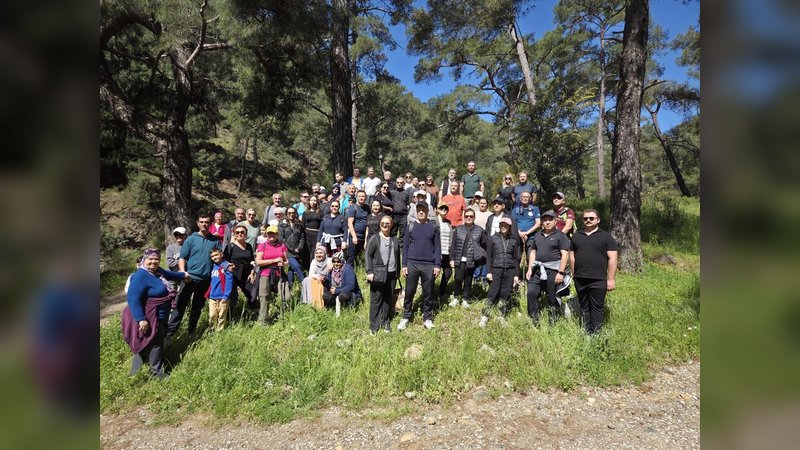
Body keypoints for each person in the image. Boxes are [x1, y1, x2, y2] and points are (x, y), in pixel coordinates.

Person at [122, 248, 189, 378]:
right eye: (150, 259)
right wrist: (141, 319)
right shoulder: (141, 275)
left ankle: (135, 372)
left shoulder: (156, 271)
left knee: (145, 342)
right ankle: (156, 372)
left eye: (156, 259)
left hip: (158, 315)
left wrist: (184, 275)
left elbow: (170, 275)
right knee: (156, 344)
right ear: (144, 260)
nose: (153, 261)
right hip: (148, 316)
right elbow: (133, 298)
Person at [166, 214, 221, 342]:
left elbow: (218, 259)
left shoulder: (215, 240)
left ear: (211, 223)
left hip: (205, 280)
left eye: (207, 222)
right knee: (180, 305)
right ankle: (170, 334)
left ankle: (191, 331)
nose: (204, 224)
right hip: (189, 278)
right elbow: (182, 258)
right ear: (197, 223)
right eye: (201, 222)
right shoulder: (191, 239)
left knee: (197, 307)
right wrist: (183, 272)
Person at [569, 209, 618, 334]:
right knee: (584, 306)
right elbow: (572, 257)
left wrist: (611, 279)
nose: (588, 220)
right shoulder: (576, 236)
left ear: (598, 220)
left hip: (598, 279)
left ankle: (596, 333)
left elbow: (613, 259)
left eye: (591, 218)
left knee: (597, 307)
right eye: (585, 218)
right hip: (580, 278)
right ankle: (586, 331)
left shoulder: (606, 237)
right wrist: (574, 275)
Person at [398, 201, 442, 331]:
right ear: (416, 211)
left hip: (428, 265)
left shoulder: (434, 227)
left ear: (428, 211)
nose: (421, 212)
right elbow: (405, 247)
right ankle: (406, 316)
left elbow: (438, 247)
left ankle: (427, 317)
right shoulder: (410, 227)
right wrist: (404, 264)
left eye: (423, 209)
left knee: (428, 293)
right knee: (410, 291)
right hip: (412, 263)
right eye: (419, 210)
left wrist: (437, 265)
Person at [525, 210, 571, 326]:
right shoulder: (537, 235)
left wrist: (561, 272)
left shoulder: (561, 236)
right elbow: (533, 252)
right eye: (544, 220)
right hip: (537, 270)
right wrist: (530, 269)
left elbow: (565, 254)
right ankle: (534, 321)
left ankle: (553, 322)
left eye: (550, 220)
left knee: (552, 296)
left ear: (555, 221)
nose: (547, 222)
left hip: (553, 270)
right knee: (531, 293)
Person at [480, 218, 522, 327]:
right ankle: (485, 316)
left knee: (506, 293)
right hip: (496, 269)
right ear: (499, 226)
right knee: (493, 292)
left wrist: (516, 275)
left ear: (509, 227)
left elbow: (516, 259)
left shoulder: (514, 240)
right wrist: (488, 272)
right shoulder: (492, 238)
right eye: (502, 225)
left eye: (506, 225)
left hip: (510, 270)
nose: (504, 227)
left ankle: (501, 315)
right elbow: (489, 256)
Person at [365, 216, 400, 335]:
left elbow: (397, 257)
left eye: (387, 223)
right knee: (376, 300)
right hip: (377, 274)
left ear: (391, 225)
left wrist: (398, 273)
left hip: (391, 274)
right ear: (380, 224)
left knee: (387, 299)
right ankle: (374, 325)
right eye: (383, 223)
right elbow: (368, 255)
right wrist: (369, 271)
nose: (385, 225)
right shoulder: (375, 239)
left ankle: (385, 322)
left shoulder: (395, 240)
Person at [448, 208, 487, 308]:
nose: (469, 218)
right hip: (459, 259)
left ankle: (465, 299)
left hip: (472, 259)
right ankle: (456, 297)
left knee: (468, 280)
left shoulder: (480, 230)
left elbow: (484, 245)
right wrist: (451, 259)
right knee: (458, 279)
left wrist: (480, 257)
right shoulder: (458, 229)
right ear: (463, 217)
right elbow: (453, 245)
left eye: (471, 216)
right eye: (467, 216)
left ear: (474, 217)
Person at [255, 225, 289, 326]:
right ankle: (263, 321)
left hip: (279, 273)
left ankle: (283, 317)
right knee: (264, 297)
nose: (271, 235)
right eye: (269, 233)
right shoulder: (262, 246)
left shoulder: (282, 246)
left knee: (286, 296)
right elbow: (258, 261)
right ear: (266, 234)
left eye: (273, 233)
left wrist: (283, 263)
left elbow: (287, 261)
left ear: (277, 234)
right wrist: (273, 261)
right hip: (265, 273)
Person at [223, 224, 256, 313]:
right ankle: (229, 317)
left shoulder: (248, 246)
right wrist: (229, 266)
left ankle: (255, 314)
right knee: (232, 297)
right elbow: (224, 261)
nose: (240, 234)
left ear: (246, 234)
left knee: (252, 294)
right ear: (234, 234)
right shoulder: (230, 247)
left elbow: (252, 261)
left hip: (246, 274)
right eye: (237, 232)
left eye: (242, 232)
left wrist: (252, 273)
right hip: (234, 274)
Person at [207, 248, 234, 332]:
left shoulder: (226, 266)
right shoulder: (213, 266)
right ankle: (212, 330)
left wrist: (226, 296)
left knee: (222, 315)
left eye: (216, 255)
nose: (214, 257)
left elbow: (229, 282)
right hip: (212, 296)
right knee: (212, 315)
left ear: (221, 254)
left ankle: (220, 331)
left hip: (223, 296)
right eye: (212, 256)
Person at [279, 206, 306, 285]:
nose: (291, 214)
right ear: (286, 214)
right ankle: (304, 282)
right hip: (287, 251)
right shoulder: (282, 224)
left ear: (295, 214)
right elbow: (281, 239)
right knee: (297, 266)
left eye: (293, 213)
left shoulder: (299, 224)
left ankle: (290, 285)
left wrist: (299, 247)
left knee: (291, 268)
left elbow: (302, 237)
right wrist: (291, 249)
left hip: (297, 250)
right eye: (289, 213)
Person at [345, 190, 369, 267]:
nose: (361, 198)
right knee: (351, 258)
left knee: (359, 258)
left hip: (363, 237)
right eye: (359, 196)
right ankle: (348, 274)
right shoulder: (353, 208)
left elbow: (368, 224)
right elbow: (350, 223)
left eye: (363, 196)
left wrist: (366, 239)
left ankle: (358, 272)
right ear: (357, 197)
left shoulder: (367, 208)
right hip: (355, 237)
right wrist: (354, 237)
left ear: (365, 197)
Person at [434, 204, 453, 302]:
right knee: (433, 273)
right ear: (437, 209)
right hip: (436, 252)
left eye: (446, 208)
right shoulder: (433, 222)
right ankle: (430, 293)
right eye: (442, 208)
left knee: (448, 272)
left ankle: (441, 293)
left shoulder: (448, 222)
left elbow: (451, 237)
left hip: (446, 252)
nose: (444, 210)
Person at [302, 195, 323, 267]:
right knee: (307, 252)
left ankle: (314, 269)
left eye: (315, 200)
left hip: (316, 235)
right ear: (309, 201)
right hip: (307, 234)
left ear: (317, 202)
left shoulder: (320, 212)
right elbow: (303, 225)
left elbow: (322, 225)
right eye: (311, 200)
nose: (313, 202)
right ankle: (307, 270)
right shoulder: (306, 212)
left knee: (314, 253)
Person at [391, 177, 411, 245]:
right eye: (398, 182)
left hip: (403, 216)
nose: (399, 184)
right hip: (394, 215)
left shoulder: (406, 193)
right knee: (393, 233)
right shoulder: (392, 192)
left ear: (403, 184)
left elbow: (408, 204)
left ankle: (401, 249)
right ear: (396, 183)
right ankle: (393, 247)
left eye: (401, 183)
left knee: (403, 233)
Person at [165, 226, 186, 291]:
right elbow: (170, 263)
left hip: (183, 276)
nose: (178, 236)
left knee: (182, 297)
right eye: (176, 235)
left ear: (185, 235)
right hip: (172, 275)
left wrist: (177, 262)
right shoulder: (170, 248)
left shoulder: (189, 247)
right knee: (171, 296)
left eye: (181, 234)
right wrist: (182, 262)